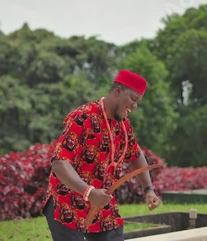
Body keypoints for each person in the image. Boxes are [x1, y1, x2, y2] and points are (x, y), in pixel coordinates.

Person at [42, 70, 161, 241]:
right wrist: (89, 193)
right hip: (67, 201)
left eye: (138, 103)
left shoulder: (124, 125)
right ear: (118, 91)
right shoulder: (82, 117)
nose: (135, 106)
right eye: (133, 100)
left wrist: (148, 189)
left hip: (102, 204)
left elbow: (136, 155)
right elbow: (60, 163)